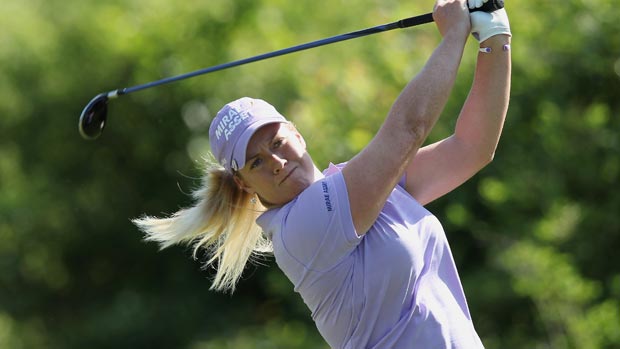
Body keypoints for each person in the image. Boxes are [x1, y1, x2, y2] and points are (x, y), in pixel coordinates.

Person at [133, 0, 511, 347]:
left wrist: (495, 33)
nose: (276, 162)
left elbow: (471, 148)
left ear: (296, 132)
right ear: (243, 183)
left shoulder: (359, 183)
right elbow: (407, 131)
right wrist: (455, 33)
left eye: (276, 143)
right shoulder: (301, 227)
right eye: (256, 162)